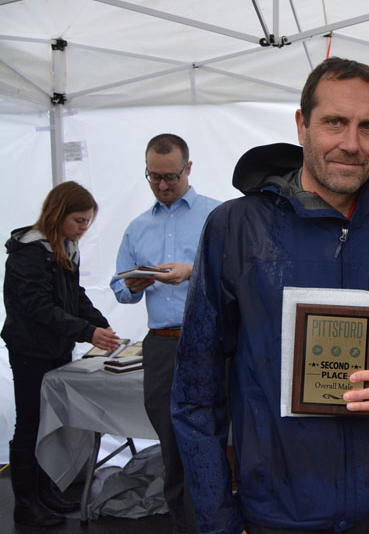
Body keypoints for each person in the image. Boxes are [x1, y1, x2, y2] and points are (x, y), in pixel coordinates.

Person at [170, 57, 369, 534]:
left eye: (368, 127)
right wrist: (217, 520)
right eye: (334, 122)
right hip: (274, 511)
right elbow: (197, 392)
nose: (351, 143)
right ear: (302, 125)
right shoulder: (237, 228)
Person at [110, 133, 220, 533]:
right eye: (153, 177)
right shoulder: (137, 227)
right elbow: (119, 288)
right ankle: (182, 522)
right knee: (170, 442)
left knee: (212, 436)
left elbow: (238, 276)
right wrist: (131, 285)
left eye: (170, 176)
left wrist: (192, 272)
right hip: (160, 346)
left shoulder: (217, 216)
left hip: (209, 342)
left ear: (188, 168)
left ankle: (215, 519)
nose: (162, 185)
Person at [2, 181, 120, 526]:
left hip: (55, 348)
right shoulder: (29, 253)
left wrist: (99, 324)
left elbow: (74, 296)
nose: (84, 228)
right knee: (29, 424)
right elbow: (39, 307)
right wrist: (87, 332)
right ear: (58, 215)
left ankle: (46, 491)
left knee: (49, 422)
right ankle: (26, 504)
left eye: (88, 222)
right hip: (30, 351)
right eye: (79, 221)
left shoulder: (65, 247)